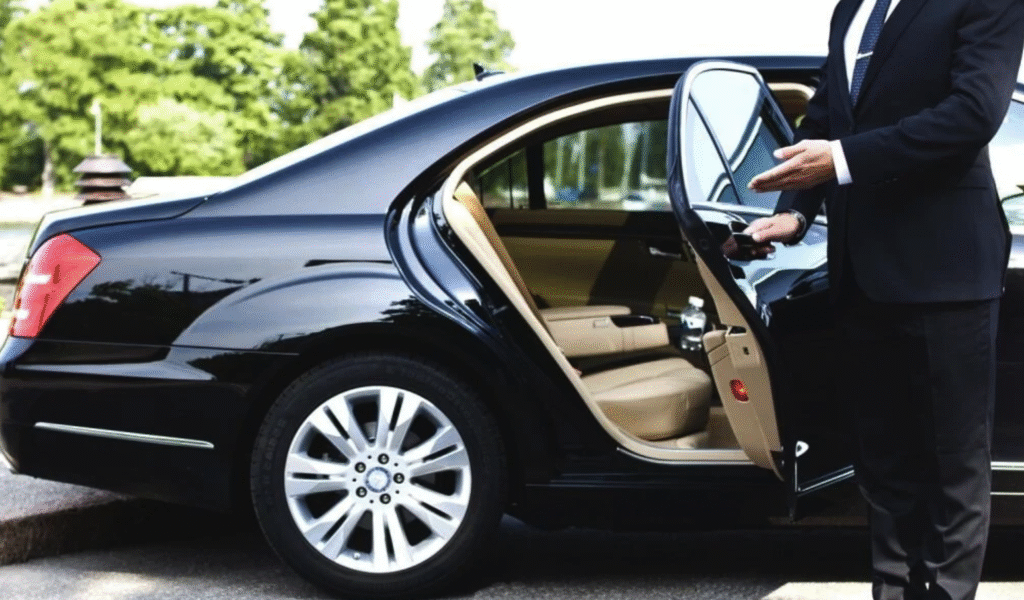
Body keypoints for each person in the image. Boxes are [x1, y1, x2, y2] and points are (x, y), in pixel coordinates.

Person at [744, 1, 1024, 598]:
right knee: (883, 467)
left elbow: (974, 113)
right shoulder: (851, 9)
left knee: (954, 468)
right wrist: (793, 212)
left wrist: (841, 161)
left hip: (945, 268)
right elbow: (828, 113)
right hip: (860, 268)